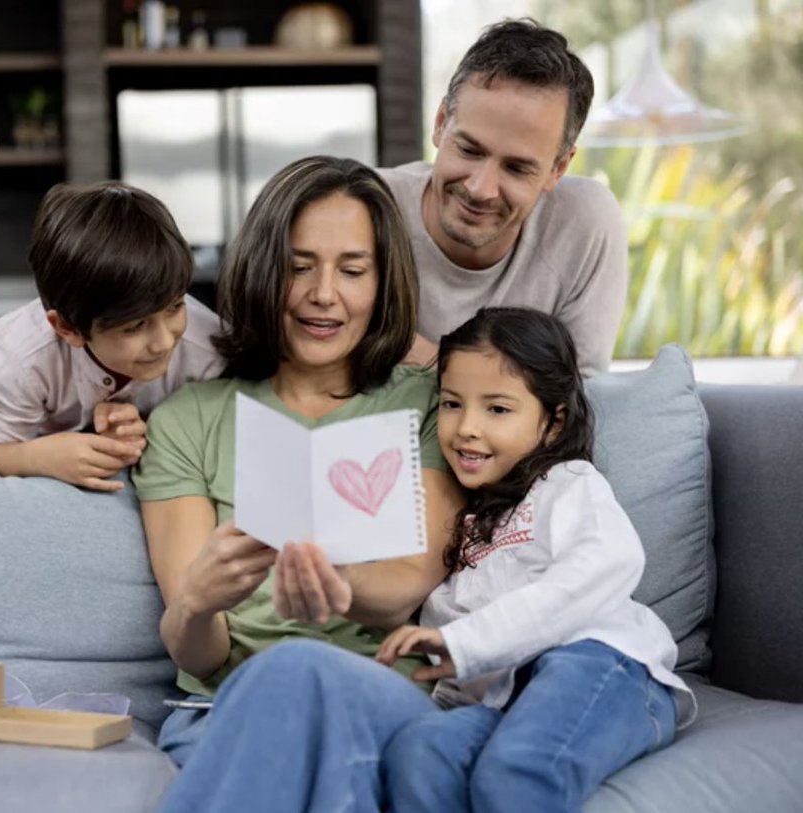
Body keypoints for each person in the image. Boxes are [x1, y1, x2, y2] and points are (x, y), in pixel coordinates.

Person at [154, 307, 696, 813]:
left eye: (498, 409)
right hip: (505, 695)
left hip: (602, 663)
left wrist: (463, 646)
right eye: (453, 404)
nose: (466, 429)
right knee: (421, 752)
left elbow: (606, 567)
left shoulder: (567, 484)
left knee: (516, 772)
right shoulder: (461, 526)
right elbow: (452, 643)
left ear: (553, 423)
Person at [131, 155, 463, 770]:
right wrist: (198, 604)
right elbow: (197, 655)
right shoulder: (187, 421)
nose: (323, 295)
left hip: (379, 697)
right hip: (227, 709)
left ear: (383, 281)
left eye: (352, 270)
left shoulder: (429, 404)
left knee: (312, 699)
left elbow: (401, 590)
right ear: (262, 271)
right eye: (298, 267)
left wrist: (331, 587)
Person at [379, 19, 627, 377]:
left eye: (516, 168)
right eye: (468, 150)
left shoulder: (585, 223)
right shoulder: (363, 208)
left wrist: (420, 355)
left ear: (558, 168)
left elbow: (577, 403)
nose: (480, 189)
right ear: (440, 122)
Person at [0, 181, 224, 492]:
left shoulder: (210, 347)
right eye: (135, 326)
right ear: (67, 329)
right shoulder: (24, 358)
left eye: (175, 306)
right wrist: (40, 457)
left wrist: (148, 428)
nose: (165, 341)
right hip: (22, 418)